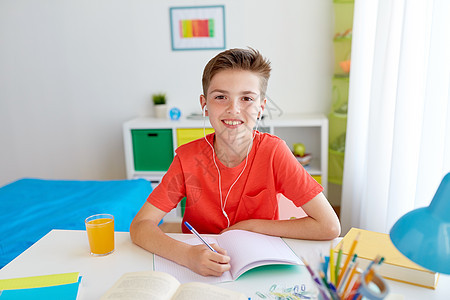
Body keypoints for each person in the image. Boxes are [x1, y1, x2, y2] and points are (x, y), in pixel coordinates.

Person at [130, 48, 341, 277]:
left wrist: (252, 225)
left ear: (261, 107)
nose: (233, 109)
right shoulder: (187, 159)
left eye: (247, 98)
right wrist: (187, 255)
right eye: (221, 97)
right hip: (200, 270)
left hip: (260, 267)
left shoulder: (274, 152)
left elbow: (329, 226)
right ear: (205, 104)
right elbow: (141, 226)